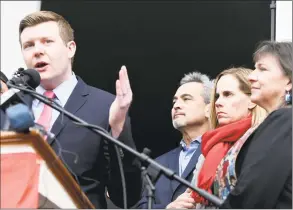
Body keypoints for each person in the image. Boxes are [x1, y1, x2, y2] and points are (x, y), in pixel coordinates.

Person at [18, 11, 142, 208]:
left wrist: (118, 130)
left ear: (70, 48)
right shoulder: (11, 104)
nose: (37, 51)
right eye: (29, 45)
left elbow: (127, 196)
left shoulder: (105, 106)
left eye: (47, 41)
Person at [220, 41, 292, 208]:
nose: (252, 76)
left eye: (262, 69)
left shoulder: (284, 119)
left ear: (289, 81)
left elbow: (253, 195)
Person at [190, 67, 267, 208]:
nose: (218, 102)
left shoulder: (263, 139)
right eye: (218, 96)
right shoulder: (210, 146)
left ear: (252, 100)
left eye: (228, 94)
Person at [136, 72, 214, 209]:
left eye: (186, 99)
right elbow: (139, 206)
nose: (176, 105)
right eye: (174, 101)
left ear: (209, 107)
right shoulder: (157, 163)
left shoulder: (221, 153)